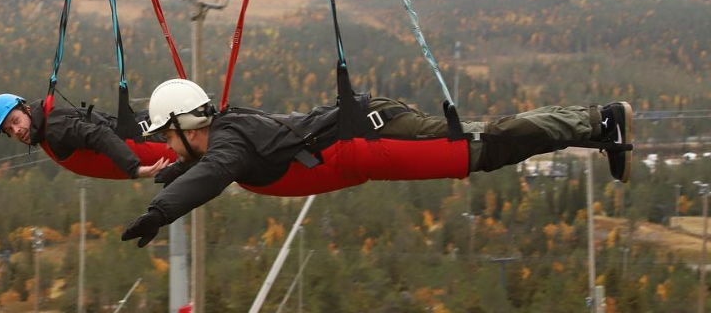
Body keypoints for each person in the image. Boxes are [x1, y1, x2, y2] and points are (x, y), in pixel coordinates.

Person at [121, 79, 633, 246]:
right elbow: (199, 166)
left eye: (169, 133)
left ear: (187, 126)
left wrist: (162, 211)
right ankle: (595, 131)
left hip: (371, 139)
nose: (168, 142)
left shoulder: (227, 144)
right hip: (365, 139)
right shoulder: (225, 135)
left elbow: (211, 173)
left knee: (479, 147)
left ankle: (600, 120)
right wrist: (162, 176)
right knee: (481, 150)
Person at [0, 94, 174, 180]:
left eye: (15, 121)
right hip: (135, 130)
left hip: (143, 142)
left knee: (196, 141)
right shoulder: (46, 130)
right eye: (9, 130)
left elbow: (100, 135)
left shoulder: (53, 128)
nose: (16, 130)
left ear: (26, 109)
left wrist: (134, 169)